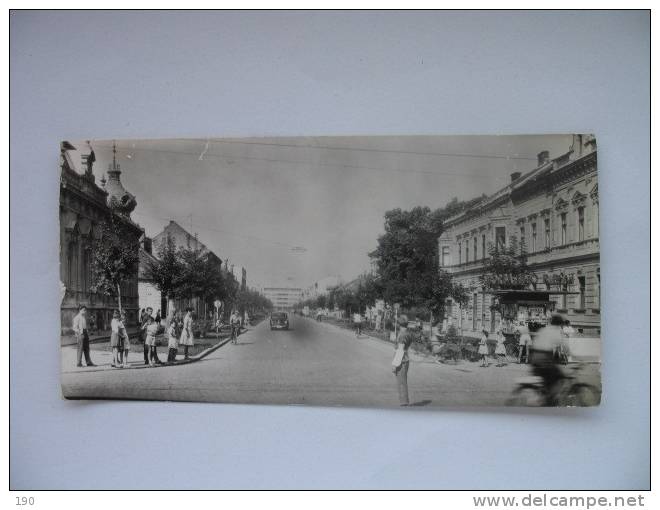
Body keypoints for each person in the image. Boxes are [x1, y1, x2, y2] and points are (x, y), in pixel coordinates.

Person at [530, 314, 566, 405]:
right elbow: (564, 346)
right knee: (560, 377)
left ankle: (544, 397)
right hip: (544, 357)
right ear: (559, 324)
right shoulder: (556, 331)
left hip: (534, 357)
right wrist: (577, 357)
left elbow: (535, 342)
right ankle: (549, 399)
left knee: (546, 381)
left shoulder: (543, 329)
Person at [391, 315, 415, 406]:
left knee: (401, 382)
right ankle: (404, 401)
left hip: (401, 360)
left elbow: (400, 350)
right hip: (406, 359)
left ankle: (404, 403)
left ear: (399, 323)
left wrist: (394, 364)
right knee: (403, 381)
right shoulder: (408, 333)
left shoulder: (401, 334)